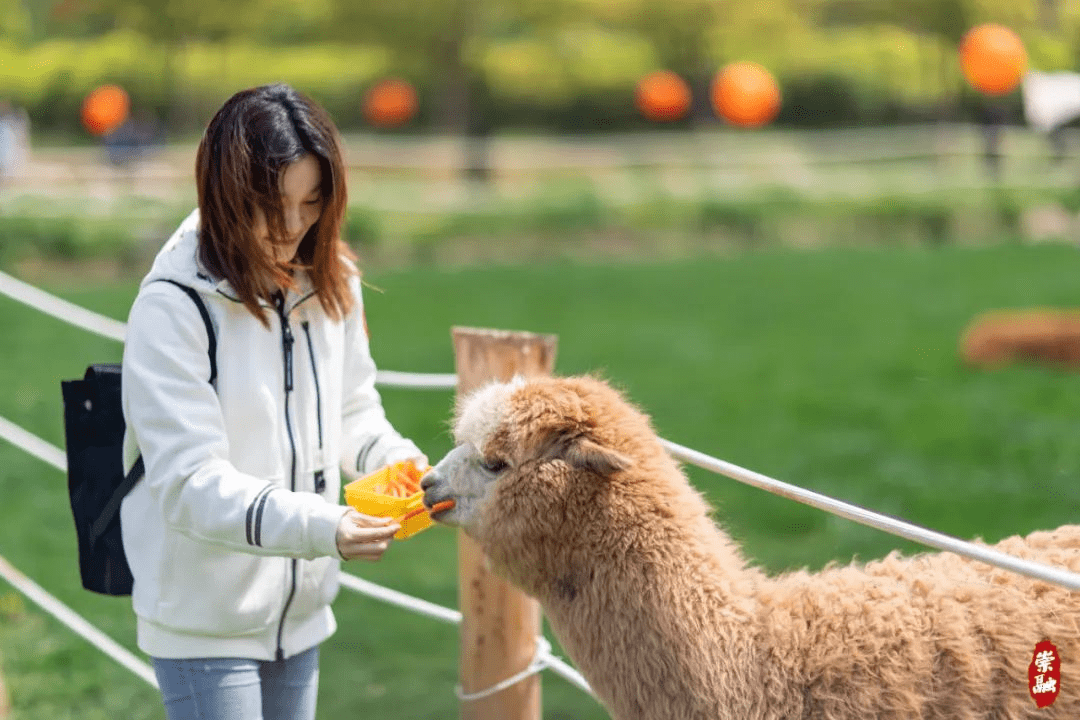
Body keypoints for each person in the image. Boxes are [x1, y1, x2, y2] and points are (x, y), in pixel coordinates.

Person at [119, 83, 427, 720]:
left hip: (303, 609)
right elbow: (190, 483)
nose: (292, 229)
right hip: (206, 619)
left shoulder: (331, 275)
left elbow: (352, 411)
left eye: (312, 203)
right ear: (225, 195)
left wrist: (403, 468)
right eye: (271, 207)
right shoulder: (172, 307)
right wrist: (324, 526)